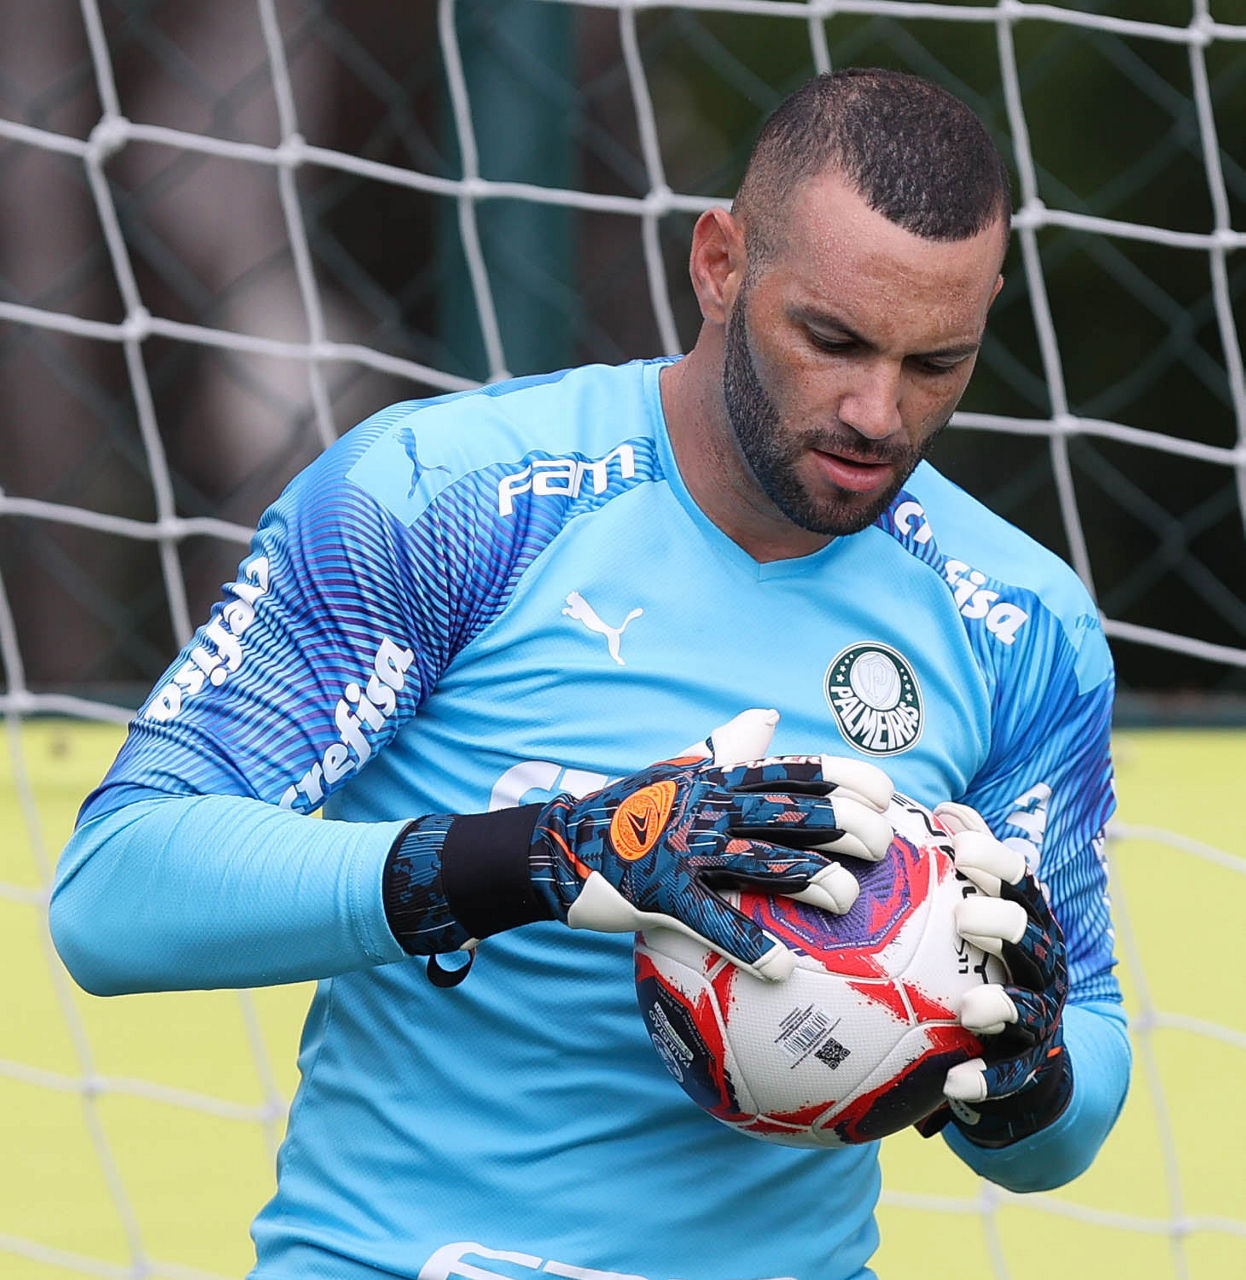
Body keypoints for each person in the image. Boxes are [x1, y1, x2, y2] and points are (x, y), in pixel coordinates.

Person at [50, 68, 1129, 1280]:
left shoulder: (1018, 619)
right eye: (830, 340)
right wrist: (545, 856)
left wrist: (1028, 1077)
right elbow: (114, 893)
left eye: (935, 362)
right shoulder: (442, 499)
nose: (877, 412)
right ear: (717, 264)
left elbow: (1078, 1078)